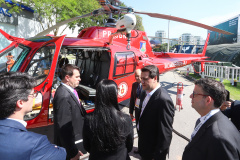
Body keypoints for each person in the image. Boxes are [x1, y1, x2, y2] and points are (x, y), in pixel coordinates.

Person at [0, 72, 66, 160]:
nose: (34, 97)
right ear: (20, 103)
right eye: (32, 94)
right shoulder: (36, 144)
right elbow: (61, 155)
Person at [182, 78, 240, 160]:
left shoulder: (219, 138)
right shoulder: (204, 120)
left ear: (208, 100)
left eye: (194, 94)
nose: (190, 96)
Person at [83, 79, 134, 160]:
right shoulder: (125, 119)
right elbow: (129, 146)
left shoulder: (89, 119)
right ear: (114, 95)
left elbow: (87, 146)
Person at [137, 65, 175, 160]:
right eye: (141, 78)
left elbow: (165, 134)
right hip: (144, 148)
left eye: (145, 79)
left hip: (153, 154)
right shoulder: (144, 92)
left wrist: (158, 157)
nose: (142, 82)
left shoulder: (163, 100)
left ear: (155, 78)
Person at [53, 64, 86, 160]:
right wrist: (72, 152)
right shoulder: (63, 96)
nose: (80, 79)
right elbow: (64, 127)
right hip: (68, 148)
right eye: (77, 77)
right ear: (67, 78)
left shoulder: (70, 91)